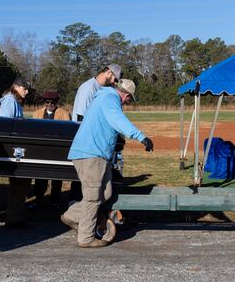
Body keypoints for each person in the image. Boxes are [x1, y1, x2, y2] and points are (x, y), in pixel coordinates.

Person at [61, 79, 154, 248]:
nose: (127, 102)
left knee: (106, 192)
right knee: (93, 197)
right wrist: (142, 137)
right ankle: (86, 238)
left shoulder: (104, 98)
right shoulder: (110, 99)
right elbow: (118, 120)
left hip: (96, 155)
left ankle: (72, 216)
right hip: (91, 154)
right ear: (125, 94)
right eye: (129, 99)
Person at [68, 64, 122, 204]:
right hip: (85, 140)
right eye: (115, 79)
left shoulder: (102, 89)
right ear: (109, 73)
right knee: (84, 180)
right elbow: (81, 117)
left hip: (95, 140)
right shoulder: (88, 88)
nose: (115, 83)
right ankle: (74, 206)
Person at [0, 76, 31, 229]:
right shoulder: (10, 100)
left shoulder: (15, 101)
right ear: (16, 86)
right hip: (15, 150)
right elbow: (5, 124)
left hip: (17, 149)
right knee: (20, 183)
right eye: (24, 88)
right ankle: (14, 219)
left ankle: (14, 217)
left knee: (19, 184)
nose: (26, 91)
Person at [31, 90, 71, 207]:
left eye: (52, 102)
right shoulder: (37, 114)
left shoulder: (64, 114)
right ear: (44, 102)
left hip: (57, 150)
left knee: (57, 177)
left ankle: (55, 201)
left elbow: (67, 132)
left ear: (56, 102)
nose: (50, 104)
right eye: (47, 102)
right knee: (40, 178)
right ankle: (38, 200)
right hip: (41, 150)